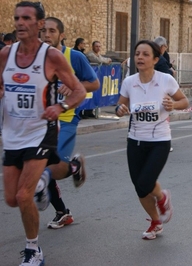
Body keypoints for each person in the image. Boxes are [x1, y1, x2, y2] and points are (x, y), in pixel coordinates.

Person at [0, 2, 86, 265]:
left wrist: (60, 106)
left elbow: (79, 91)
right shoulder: (5, 54)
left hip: (41, 130)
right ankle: (73, 167)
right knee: (12, 199)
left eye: (26, 18)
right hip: (13, 132)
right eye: (17, 18)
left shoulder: (51, 57)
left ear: (39, 24)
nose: (20, 23)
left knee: (25, 195)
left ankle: (33, 250)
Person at [115, 40, 188, 240]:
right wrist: (120, 110)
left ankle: (163, 197)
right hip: (135, 140)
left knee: (146, 181)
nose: (140, 57)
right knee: (139, 187)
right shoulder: (129, 82)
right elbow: (119, 106)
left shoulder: (165, 80)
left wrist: (173, 104)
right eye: (137, 53)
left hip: (160, 141)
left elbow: (184, 101)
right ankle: (156, 221)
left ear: (156, 59)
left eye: (145, 54)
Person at [36, 17, 100, 229]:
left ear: (61, 35)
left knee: (50, 167)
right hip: (39, 121)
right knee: (41, 166)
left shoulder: (74, 56)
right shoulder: (34, 58)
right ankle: (62, 212)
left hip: (66, 117)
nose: (47, 35)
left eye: (52, 31)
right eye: (44, 31)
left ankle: (74, 165)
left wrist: (74, 86)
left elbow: (94, 83)